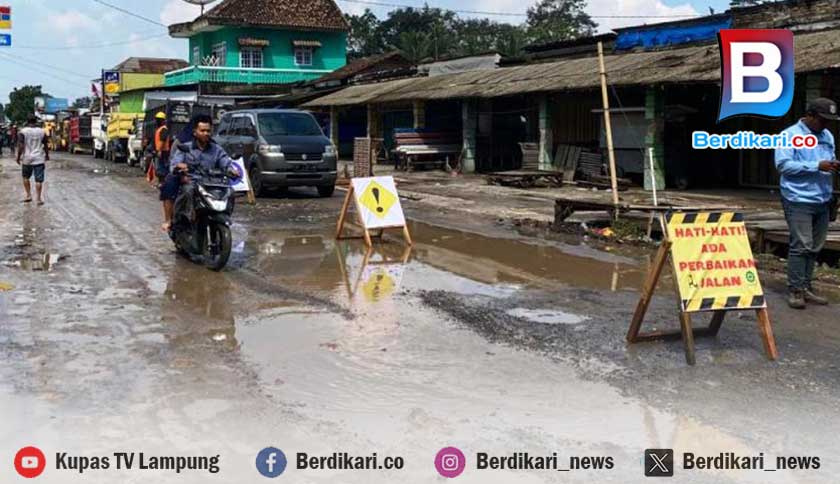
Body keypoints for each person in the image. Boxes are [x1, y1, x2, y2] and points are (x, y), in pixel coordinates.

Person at [774, 97, 840, 309]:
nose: (825, 125)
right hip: (798, 198)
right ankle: (795, 290)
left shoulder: (827, 135)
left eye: (828, 121)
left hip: (822, 198)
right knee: (801, 245)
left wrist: (832, 165)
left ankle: (806, 286)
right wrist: (816, 166)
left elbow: (828, 159)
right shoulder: (790, 135)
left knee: (815, 247)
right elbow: (783, 165)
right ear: (809, 116)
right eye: (822, 120)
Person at [159, 114, 236, 231]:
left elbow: (224, 160)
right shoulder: (185, 147)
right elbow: (175, 163)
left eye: (208, 131)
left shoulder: (216, 149)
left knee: (230, 192)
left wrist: (231, 169)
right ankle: (181, 219)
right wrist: (180, 167)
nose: (206, 133)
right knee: (187, 190)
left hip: (211, 183)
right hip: (192, 181)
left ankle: (224, 215)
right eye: (202, 130)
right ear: (195, 132)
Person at [16, 116, 50, 205]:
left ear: (27, 121)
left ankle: (28, 195)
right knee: (39, 180)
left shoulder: (23, 132)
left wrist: (18, 156)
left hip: (27, 158)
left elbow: (21, 146)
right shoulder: (42, 131)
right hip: (39, 158)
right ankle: (38, 199)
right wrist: (47, 155)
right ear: (36, 121)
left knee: (25, 177)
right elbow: (46, 145)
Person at [153, 112, 170, 185]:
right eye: (157, 119)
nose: (157, 121)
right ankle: (161, 182)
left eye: (159, 120)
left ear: (163, 121)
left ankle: (163, 183)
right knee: (160, 167)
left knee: (162, 167)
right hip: (160, 151)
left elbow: (163, 139)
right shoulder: (160, 129)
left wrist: (159, 150)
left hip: (163, 151)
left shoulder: (164, 129)